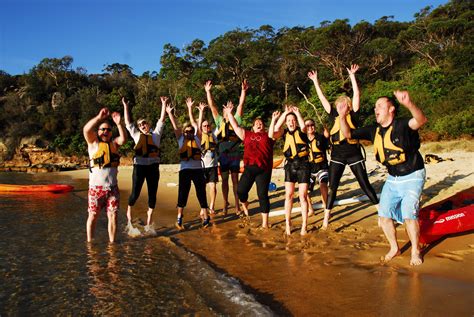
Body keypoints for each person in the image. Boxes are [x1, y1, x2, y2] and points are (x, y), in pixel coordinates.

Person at [337, 90, 427, 266]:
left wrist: (409, 104)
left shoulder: (402, 125)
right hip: (393, 178)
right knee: (384, 215)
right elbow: (348, 135)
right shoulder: (373, 131)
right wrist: (342, 117)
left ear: (391, 109)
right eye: (375, 106)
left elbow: (420, 120)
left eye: (379, 105)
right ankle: (395, 247)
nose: (375, 108)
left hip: (413, 175)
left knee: (409, 212)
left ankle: (415, 250)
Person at [308, 65, 379, 229]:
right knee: (333, 187)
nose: (339, 107)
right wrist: (315, 82)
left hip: (354, 153)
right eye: (338, 105)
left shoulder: (352, 114)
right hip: (337, 155)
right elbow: (322, 99)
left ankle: (380, 212)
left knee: (364, 183)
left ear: (348, 107)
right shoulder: (333, 115)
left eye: (343, 105)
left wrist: (353, 76)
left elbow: (357, 95)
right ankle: (326, 218)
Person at [223, 101, 278, 229]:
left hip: (263, 169)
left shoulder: (268, 136)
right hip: (249, 168)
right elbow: (236, 126)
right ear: (252, 127)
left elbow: (275, 129)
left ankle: (265, 223)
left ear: (264, 127)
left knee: (262, 195)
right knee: (240, 191)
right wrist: (230, 114)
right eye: (256, 123)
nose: (259, 124)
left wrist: (275, 119)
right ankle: (245, 202)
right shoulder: (247, 134)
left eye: (261, 123)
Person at [122, 96, 166, 233]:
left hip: (153, 167)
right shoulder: (136, 135)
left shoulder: (156, 135)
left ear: (149, 124)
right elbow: (128, 123)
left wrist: (163, 104)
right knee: (135, 193)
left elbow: (162, 120)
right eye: (140, 124)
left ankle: (149, 216)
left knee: (152, 194)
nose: (142, 126)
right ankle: (129, 208)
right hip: (140, 167)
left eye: (144, 123)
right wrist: (126, 106)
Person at [204, 79, 249, 215]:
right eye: (225, 109)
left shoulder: (236, 119)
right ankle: (225, 204)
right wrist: (208, 92)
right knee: (224, 180)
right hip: (223, 155)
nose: (227, 110)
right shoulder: (219, 121)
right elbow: (212, 107)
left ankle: (236, 205)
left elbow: (241, 105)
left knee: (235, 179)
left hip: (234, 154)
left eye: (229, 109)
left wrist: (243, 91)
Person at [83, 108, 126, 243]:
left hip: (112, 189)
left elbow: (123, 139)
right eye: (102, 129)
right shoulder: (93, 144)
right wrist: (98, 117)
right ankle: (90, 243)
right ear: (98, 132)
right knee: (93, 215)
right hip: (96, 189)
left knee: (113, 216)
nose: (105, 132)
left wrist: (119, 124)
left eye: (108, 130)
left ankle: (112, 244)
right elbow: (86, 130)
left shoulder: (114, 144)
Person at [166, 98, 210, 230]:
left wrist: (201, 111)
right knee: (182, 194)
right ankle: (179, 219)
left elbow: (199, 124)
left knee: (201, 193)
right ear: (184, 133)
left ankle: (206, 217)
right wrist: (169, 113)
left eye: (191, 131)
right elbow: (175, 127)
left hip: (197, 170)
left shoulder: (197, 137)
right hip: (185, 170)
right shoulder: (180, 139)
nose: (189, 133)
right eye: (187, 131)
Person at [274, 105, 311, 236]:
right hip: (290, 166)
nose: (291, 122)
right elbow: (275, 129)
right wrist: (285, 113)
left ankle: (304, 225)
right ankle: (288, 224)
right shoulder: (284, 133)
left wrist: (297, 113)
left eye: (293, 120)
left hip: (303, 165)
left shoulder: (302, 131)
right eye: (289, 120)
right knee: (289, 195)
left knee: (302, 196)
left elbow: (303, 127)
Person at [305, 119, 330, 217]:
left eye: (312, 125)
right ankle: (311, 209)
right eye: (308, 125)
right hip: (310, 169)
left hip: (322, 167)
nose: (310, 127)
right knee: (304, 189)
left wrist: (327, 135)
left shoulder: (321, 137)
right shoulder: (303, 140)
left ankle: (325, 207)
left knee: (323, 185)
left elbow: (327, 140)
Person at [197, 103, 219, 214]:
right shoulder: (199, 136)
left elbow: (218, 122)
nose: (206, 127)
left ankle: (211, 206)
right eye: (204, 126)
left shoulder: (214, 135)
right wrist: (201, 111)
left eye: (208, 126)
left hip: (213, 166)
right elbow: (197, 126)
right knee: (202, 189)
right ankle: (203, 207)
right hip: (202, 167)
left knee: (213, 187)